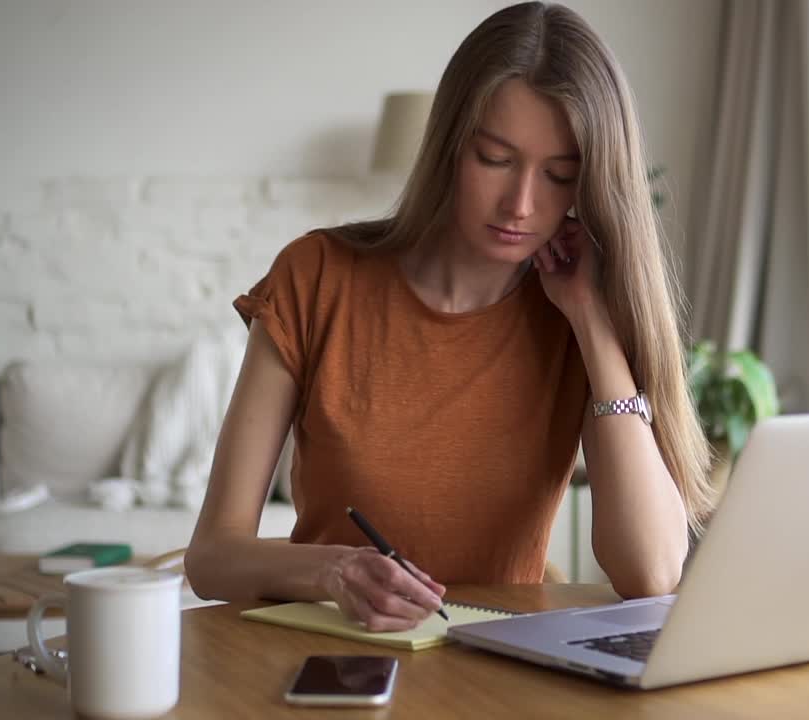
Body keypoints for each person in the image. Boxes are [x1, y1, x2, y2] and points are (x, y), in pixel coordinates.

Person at [184, 1, 715, 632]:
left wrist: (593, 326)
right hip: (334, 661)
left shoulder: (574, 321)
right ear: (449, 146)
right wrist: (330, 571)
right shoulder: (315, 277)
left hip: (495, 668)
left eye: (559, 175)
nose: (521, 204)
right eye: (494, 158)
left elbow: (651, 572)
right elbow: (212, 557)